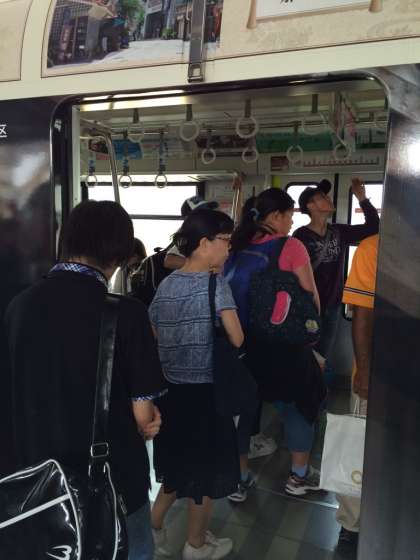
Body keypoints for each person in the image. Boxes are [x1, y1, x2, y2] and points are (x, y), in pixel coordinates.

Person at [4, 200, 167, 560]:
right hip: (111, 478)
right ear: (120, 254)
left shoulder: (19, 305)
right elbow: (143, 417)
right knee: (131, 549)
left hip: (38, 476)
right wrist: (151, 422)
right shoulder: (127, 313)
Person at [149, 209, 242, 560]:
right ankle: (196, 544)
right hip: (207, 395)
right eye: (225, 241)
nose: (229, 248)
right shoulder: (216, 285)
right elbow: (237, 337)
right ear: (204, 243)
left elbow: (153, 333)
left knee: (177, 468)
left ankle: (154, 528)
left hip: (171, 394)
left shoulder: (166, 285)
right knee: (205, 472)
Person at [225, 188, 326, 498]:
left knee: (242, 413)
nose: (292, 222)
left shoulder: (235, 246)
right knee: (300, 406)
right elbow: (310, 299)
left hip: (240, 345)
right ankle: (298, 477)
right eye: (290, 215)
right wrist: (312, 339)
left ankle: (239, 480)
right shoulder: (290, 246)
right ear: (275, 216)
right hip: (283, 348)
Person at [293, 178, 379, 365]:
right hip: (309, 307)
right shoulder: (300, 236)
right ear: (310, 206)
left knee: (322, 356)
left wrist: (362, 198)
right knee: (306, 354)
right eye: (322, 197)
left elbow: (374, 227)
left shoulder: (338, 232)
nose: (328, 199)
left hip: (333, 306)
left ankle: (317, 382)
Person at [336, 233, 378, 547]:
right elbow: (362, 313)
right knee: (360, 448)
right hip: (380, 373)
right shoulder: (373, 248)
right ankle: (352, 524)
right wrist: (363, 371)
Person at [164, 195, 219, 270]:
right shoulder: (189, 234)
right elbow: (170, 261)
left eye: (209, 210)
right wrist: (206, 267)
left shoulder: (212, 230)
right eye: (202, 213)